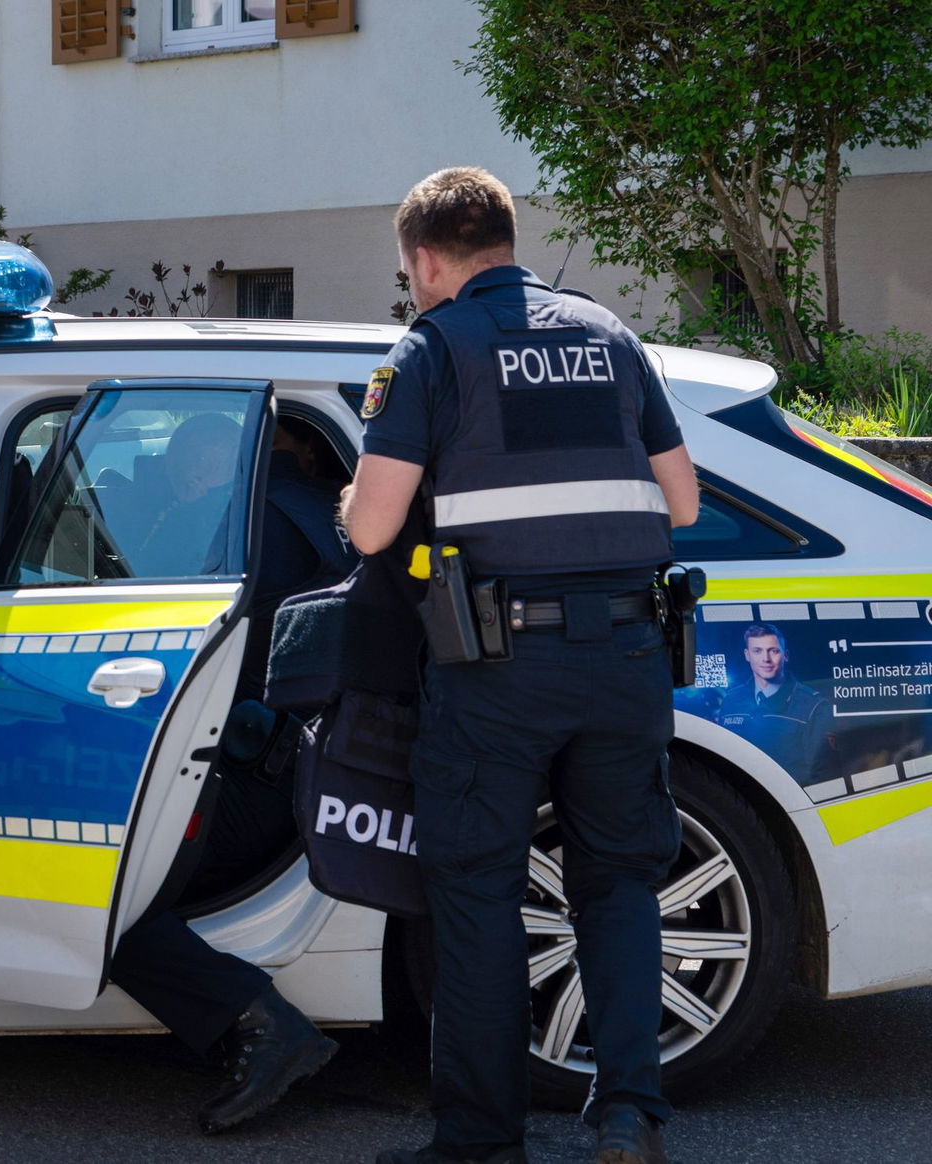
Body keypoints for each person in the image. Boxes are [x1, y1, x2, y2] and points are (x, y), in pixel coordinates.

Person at [339, 167, 699, 1164]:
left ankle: (481, 1142)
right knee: (618, 885)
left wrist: (355, 500)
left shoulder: (432, 348)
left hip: (497, 668)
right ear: (505, 240)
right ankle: (629, 1117)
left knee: (479, 893)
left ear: (425, 260)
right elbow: (682, 502)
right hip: (626, 657)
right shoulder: (609, 336)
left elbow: (371, 530)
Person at [109, 414, 356, 1135]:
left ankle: (263, 1024)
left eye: (190, 472)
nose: (182, 485)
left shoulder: (240, 530)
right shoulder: (320, 511)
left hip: (254, 782)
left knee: (95, 890)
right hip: (310, 766)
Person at [718, 623, 833, 784]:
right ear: (747, 655)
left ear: (785, 655)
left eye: (773, 651)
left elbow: (822, 775)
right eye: (757, 651)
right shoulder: (731, 700)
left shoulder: (813, 707)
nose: (766, 659)